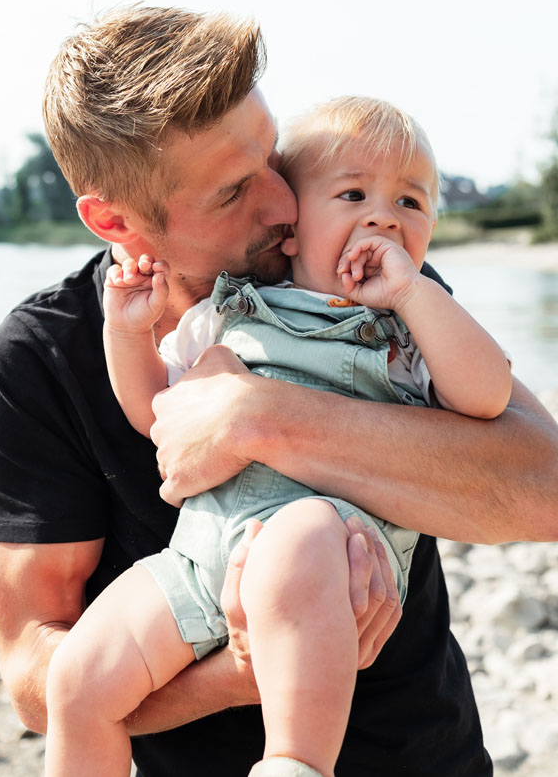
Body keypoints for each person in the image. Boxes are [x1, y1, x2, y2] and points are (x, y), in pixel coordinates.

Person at [0, 6, 557, 777]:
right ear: (114, 220)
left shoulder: (365, 287)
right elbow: (40, 679)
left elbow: (544, 487)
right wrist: (254, 667)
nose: (283, 206)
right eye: (232, 192)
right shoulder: (35, 364)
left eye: (273, 158)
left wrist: (261, 420)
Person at [43, 95, 512, 777]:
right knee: (75, 680)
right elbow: (157, 417)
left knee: (299, 539)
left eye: (411, 204)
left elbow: (487, 394)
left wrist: (415, 298)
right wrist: (127, 333)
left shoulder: (412, 329)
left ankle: (293, 762)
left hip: (326, 558)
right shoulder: (227, 311)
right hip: (200, 557)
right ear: (292, 223)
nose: (383, 217)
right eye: (353, 195)